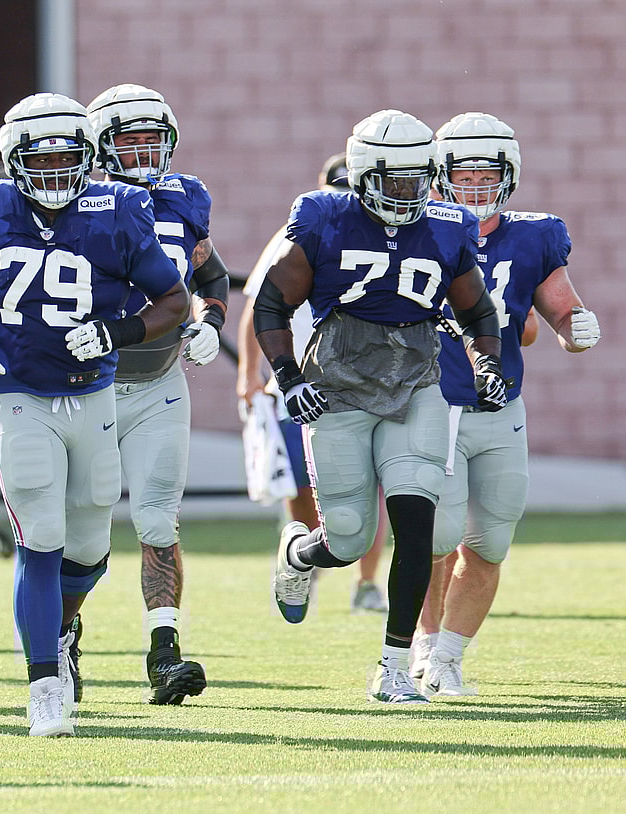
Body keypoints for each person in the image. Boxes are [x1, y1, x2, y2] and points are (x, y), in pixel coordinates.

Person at [0, 92, 189, 736]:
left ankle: (60, 629)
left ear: (89, 158)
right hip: (18, 394)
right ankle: (45, 681)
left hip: (93, 390)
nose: (54, 175)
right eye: (39, 162)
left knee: (91, 545)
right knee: (40, 534)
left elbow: (174, 301)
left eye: (68, 160)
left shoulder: (118, 210)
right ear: (14, 162)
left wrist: (116, 333)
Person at [254, 109, 508, 705]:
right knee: (346, 536)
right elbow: (269, 305)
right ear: (365, 175)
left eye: (419, 178)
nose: (409, 191)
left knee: (415, 525)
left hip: (415, 381)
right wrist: (288, 378)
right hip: (337, 383)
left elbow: (477, 312)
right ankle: (299, 551)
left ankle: (392, 667)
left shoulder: (446, 226)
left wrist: (485, 363)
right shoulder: (322, 216)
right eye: (396, 179)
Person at [410, 112, 601, 696]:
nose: (473, 184)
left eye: (484, 174)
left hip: (500, 406)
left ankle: (448, 657)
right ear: (440, 175)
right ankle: (419, 642)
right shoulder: (419, 230)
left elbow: (555, 310)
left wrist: (573, 324)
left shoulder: (534, 234)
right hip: (430, 404)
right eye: (461, 174)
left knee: (490, 542)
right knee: (433, 539)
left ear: (508, 175)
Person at [81, 83, 229, 705]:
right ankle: (63, 639)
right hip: (84, 387)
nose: (143, 151)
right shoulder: (79, 204)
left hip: (159, 381)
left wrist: (212, 321)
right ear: (99, 146)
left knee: (155, 518)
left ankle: (163, 654)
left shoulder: (184, 200)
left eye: (151, 138)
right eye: (128, 139)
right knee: (79, 529)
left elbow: (211, 272)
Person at [237, 154, 390, 614]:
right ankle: (304, 565)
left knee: (375, 488)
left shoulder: (389, 235)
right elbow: (259, 309)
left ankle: (366, 584)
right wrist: (250, 372)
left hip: (369, 383)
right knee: (302, 489)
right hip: (302, 382)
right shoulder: (299, 233)